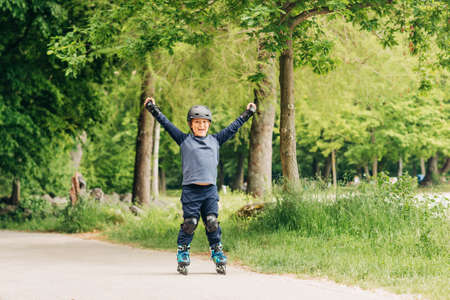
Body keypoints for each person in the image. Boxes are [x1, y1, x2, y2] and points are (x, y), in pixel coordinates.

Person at [144, 97, 256, 275]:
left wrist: (247, 114)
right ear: (191, 125)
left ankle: (217, 252)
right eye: (197, 122)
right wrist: (153, 109)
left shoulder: (216, 140)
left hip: (210, 190)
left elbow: (233, 128)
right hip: (191, 190)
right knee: (191, 223)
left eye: (204, 122)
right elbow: (166, 124)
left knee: (211, 222)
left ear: (209, 124)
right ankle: (183, 252)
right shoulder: (183, 140)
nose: (201, 125)